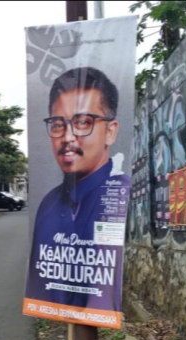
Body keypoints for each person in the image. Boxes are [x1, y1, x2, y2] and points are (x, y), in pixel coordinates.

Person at [25, 67, 130, 311]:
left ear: (110, 131)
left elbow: (104, 299)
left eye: (83, 122)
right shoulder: (48, 205)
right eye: (58, 124)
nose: (68, 137)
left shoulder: (121, 197)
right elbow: (42, 291)